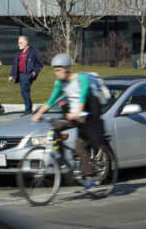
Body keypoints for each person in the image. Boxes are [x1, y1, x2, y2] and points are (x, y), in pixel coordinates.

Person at [32, 53, 110, 191]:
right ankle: (63, 160)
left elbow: (83, 95)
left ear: (67, 68)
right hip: (74, 116)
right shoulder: (60, 83)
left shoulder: (82, 79)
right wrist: (38, 114)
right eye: (55, 70)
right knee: (55, 127)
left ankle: (90, 175)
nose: (56, 73)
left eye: (58, 70)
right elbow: (51, 101)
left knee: (79, 146)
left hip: (87, 115)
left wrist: (77, 112)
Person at [10, 36, 44, 114]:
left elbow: (40, 63)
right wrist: (11, 75)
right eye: (18, 42)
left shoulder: (33, 51)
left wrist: (35, 71)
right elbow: (15, 64)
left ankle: (28, 109)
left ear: (26, 42)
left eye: (21, 42)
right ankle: (29, 107)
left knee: (24, 90)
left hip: (28, 74)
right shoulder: (19, 53)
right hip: (20, 75)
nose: (19, 44)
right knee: (24, 91)